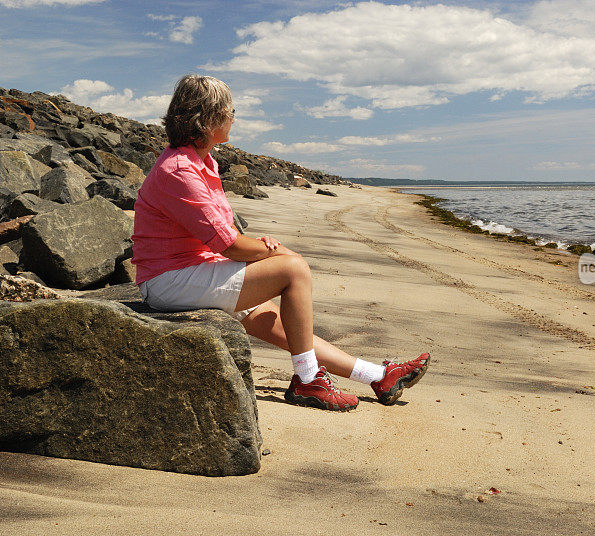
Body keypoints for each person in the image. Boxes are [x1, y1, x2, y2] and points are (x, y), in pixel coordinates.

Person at [131, 75, 429, 412]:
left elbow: (222, 234)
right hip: (169, 280)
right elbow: (229, 245)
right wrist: (279, 253)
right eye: (231, 110)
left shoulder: (203, 162)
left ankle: (377, 375)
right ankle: (307, 379)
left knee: (282, 321)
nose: (234, 117)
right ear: (210, 117)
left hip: (194, 270)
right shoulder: (180, 170)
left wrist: (261, 247)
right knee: (294, 270)